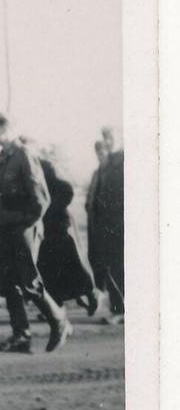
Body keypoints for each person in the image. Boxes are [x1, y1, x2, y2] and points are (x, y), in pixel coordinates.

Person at [0, 111, 70, 353]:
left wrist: (25, 226)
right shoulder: (6, 156)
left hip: (20, 229)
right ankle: (20, 336)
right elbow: (1, 179)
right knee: (9, 285)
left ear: (6, 128)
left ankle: (59, 321)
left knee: (28, 282)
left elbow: (41, 199)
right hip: (5, 227)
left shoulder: (24, 155)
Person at [22, 139, 100, 316]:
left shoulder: (46, 166)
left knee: (73, 264)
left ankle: (91, 293)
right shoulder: (25, 167)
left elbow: (67, 191)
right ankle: (57, 308)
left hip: (59, 224)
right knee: (48, 267)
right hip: (43, 225)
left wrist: (48, 207)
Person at [89, 126, 125, 324]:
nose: (108, 142)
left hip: (122, 224)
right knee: (112, 268)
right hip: (106, 225)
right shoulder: (106, 164)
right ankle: (119, 308)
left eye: (111, 138)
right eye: (105, 138)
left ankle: (121, 310)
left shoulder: (127, 161)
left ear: (120, 138)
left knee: (121, 268)